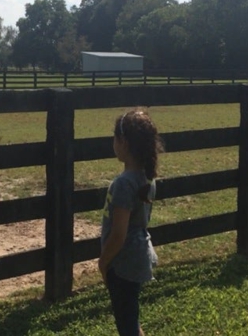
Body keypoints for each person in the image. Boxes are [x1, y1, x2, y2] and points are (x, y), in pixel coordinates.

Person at [98, 107, 164, 336]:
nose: (113, 143)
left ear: (123, 142)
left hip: (122, 261)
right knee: (130, 318)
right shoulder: (147, 177)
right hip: (137, 256)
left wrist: (104, 261)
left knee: (126, 324)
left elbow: (119, 234)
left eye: (115, 138)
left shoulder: (124, 184)